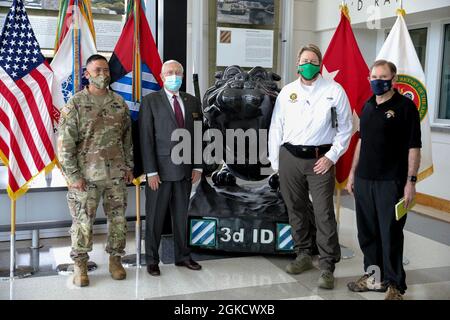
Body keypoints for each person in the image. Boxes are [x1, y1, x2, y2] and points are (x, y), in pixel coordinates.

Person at [268, 44, 353, 289]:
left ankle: (327, 266)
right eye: (304, 60)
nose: (308, 64)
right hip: (289, 159)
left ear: (320, 64)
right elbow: (276, 127)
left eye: (313, 60)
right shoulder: (287, 92)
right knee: (295, 208)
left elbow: (346, 128)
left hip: (320, 160)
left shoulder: (334, 91)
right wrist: (276, 162)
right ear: (297, 63)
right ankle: (303, 254)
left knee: (323, 213)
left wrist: (332, 157)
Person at [346, 60, 421, 300]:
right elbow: (361, 142)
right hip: (364, 180)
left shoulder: (406, 107)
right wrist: (352, 174)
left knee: (390, 234)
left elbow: (414, 147)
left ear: (393, 79)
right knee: (367, 234)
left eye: (383, 76)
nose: (377, 81)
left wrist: (411, 181)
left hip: (392, 182)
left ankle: (395, 285)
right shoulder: (368, 106)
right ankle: (374, 278)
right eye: (373, 77)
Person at [57, 54, 134, 287]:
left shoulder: (119, 103)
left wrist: (129, 167)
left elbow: (127, 139)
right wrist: (73, 176)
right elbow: (65, 145)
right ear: (86, 74)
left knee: (119, 221)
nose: (103, 75)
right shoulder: (75, 105)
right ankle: (80, 266)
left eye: (106, 71)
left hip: (116, 176)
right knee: (83, 223)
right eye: (97, 70)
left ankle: (115, 260)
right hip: (85, 178)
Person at [139, 60, 203, 276]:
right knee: (155, 218)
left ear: (183, 75)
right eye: (169, 72)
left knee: (181, 216)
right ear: (161, 75)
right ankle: (152, 260)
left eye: (177, 72)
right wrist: (151, 172)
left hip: (186, 171)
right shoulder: (150, 101)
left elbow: (198, 136)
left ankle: (183, 256)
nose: (173, 76)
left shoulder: (192, 102)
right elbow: (146, 139)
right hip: (160, 172)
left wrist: (198, 166)